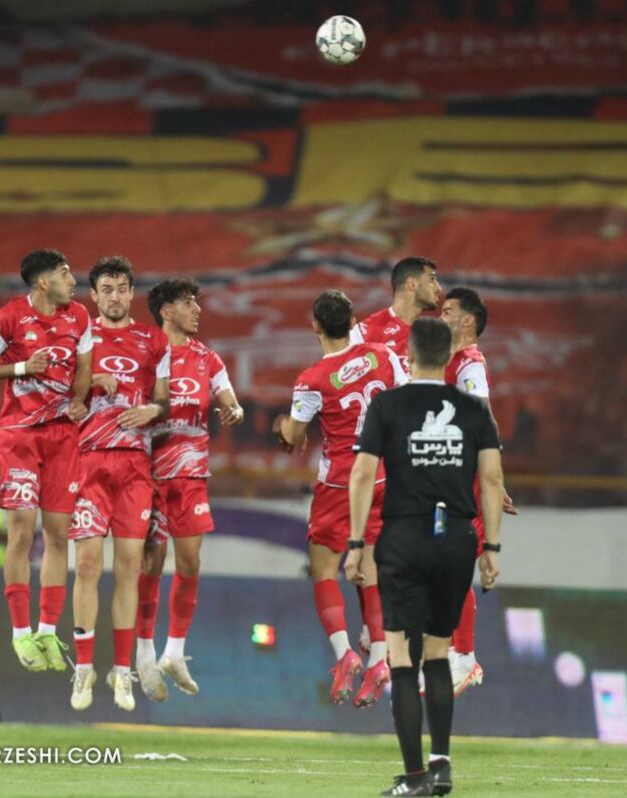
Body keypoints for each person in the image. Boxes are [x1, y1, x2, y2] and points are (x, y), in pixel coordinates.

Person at [346, 317, 504, 797]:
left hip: (404, 538)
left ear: (409, 355)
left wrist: (356, 542)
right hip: (456, 539)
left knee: (401, 659)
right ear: (450, 355)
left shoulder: (387, 405)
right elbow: (492, 480)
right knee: (438, 654)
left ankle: (414, 777)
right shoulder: (475, 411)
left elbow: (362, 475)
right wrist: (491, 548)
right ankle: (442, 765)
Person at [272, 289, 408, 707]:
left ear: (315, 326)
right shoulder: (384, 355)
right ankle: (380, 660)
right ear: (353, 322)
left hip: (340, 484)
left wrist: (282, 426)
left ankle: (345, 653)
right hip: (385, 476)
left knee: (324, 570)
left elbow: (294, 436)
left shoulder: (312, 379)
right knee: (370, 570)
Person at [0, 248, 92, 674]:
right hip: (20, 436)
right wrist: (21, 368)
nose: (73, 281)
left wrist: (79, 398)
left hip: (63, 437)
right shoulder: (6, 319)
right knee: (21, 531)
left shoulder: (79, 316)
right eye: (65, 273)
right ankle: (20, 632)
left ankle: (46, 630)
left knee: (58, 534)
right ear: (43, 282)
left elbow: (84, 367)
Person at [68, 257, 170, 712]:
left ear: (132, 293)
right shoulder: (79, 339)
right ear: (93, 296)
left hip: (134, 468)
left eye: (121, 288)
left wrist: (152, 410)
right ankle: (83, 669)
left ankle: (122, 671)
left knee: (129, 567)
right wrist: (89, 380)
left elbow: (165, 400)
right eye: (106, 289)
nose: (114, 296)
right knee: (88, 565)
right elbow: (59, 391)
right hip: (89, 463)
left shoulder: (154, 340)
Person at [134, 278, 244, 701]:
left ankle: (174, 652)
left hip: (192, 473)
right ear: (166, 311)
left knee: (191, 561)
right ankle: (145, 653)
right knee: (151, 561)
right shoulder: (144, 354)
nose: (197, 309)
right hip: (149, 472)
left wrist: (234, 410)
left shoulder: (207, 358)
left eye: (197, 302)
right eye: (187, 303)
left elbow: (230, 399)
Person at [349, 256, 442, 653]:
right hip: (376, 456)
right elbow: (337, 377)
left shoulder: (434, 337)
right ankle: (375, 632)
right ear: (410, 284)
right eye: (432, 279)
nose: (438, 288)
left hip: (419, 458)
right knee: (369, 549)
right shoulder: (365, 331)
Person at [440, 286, 518, 697]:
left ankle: (465, 657)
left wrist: (492, 476)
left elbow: (482, 419)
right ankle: (454, 652)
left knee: (450, 565)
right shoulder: (449, 360)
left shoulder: (469, 364)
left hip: (462, 481)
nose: (441, 315)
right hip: (448, 477)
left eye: (448, 310)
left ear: (467, 321)